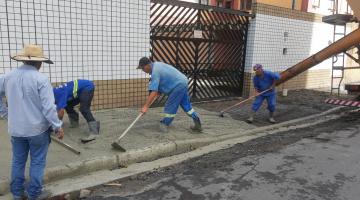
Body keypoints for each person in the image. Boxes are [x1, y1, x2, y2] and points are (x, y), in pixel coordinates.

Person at [0, 44, 64, 200]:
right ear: (40, 62)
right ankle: (34, 193)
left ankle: (17, 194)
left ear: (23, 60)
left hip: (16, 129)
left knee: (17, 161)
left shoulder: (7, 77)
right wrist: (57, 126)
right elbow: (49, 108)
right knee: (37, 161)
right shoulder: (41, 79)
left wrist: (4, 112)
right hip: (38, 130)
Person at [137, 57, 202, 133]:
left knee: (171, 105)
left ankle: (165, 123)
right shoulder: (157, 65)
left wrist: (145, 106)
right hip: (183, 81)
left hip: (177, 86)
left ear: (147, 65)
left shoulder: (155, 72)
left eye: (142, 68)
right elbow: (163, 82)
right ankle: (197, 120)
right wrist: (158, 92)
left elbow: (154, 91)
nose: (143, 70)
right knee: (185, 105)